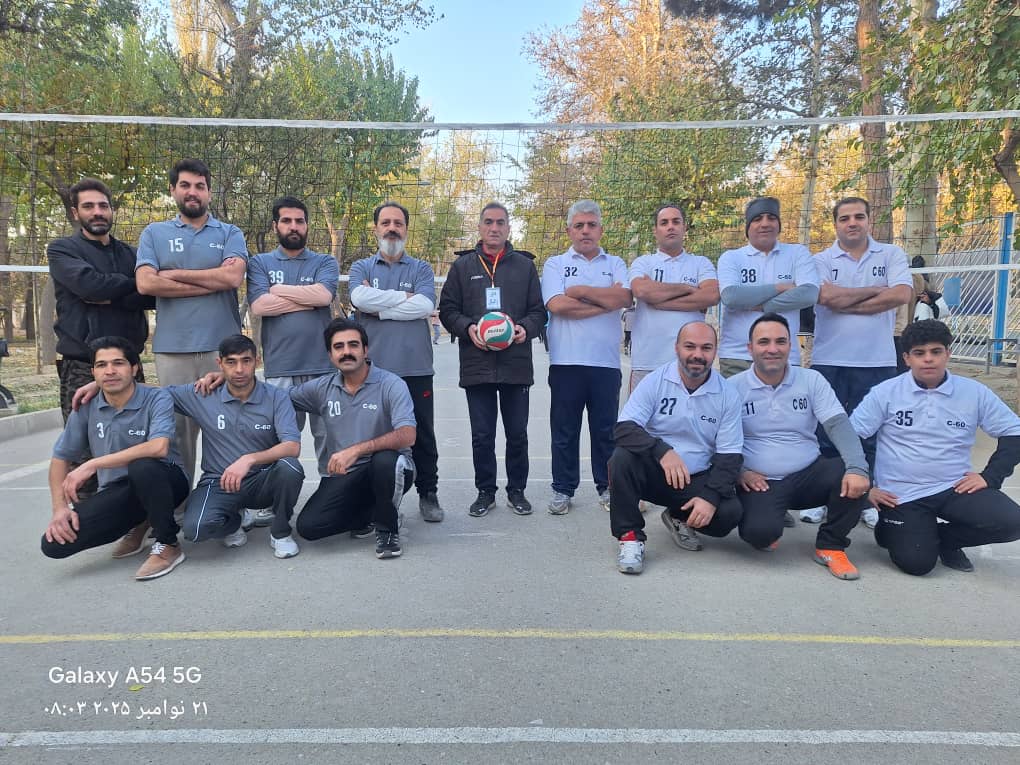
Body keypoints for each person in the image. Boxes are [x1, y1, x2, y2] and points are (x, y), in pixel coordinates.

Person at [851, 319, 1020, 575]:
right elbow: (850, 437)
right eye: (919, 353)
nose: (928, 359)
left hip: (954, 487)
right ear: (907, 358)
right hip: (901, 494)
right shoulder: (885, 392)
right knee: (917, 564)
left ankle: (946, 540)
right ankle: (893, 530)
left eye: (936, 351)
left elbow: (1014, 432)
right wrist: (868, 487)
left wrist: (990, 476)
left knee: (1013, 522)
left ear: (948, 353)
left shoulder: (974, 392)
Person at [729, 313, 871, 580]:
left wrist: (857, 467)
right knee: (760, 534)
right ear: (750, 348)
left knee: (854, 473)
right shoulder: (732, 388)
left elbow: (838, 425)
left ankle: (831, 545)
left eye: (780, 341)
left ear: (791, 346)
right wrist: (740, 472)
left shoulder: (811, 380)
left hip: (808, 473)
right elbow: (718, 441)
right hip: (761, 481)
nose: (773, 349)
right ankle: (771, 515)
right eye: (764, 342)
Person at [135, 159, 248, 483]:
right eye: (185, 185)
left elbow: (232, 277)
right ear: (173, 190)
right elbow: (146, 283)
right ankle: (181, 504)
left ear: (209, 192)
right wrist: (209, 281)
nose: (193, 192)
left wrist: (174, 275)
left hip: (222, 350)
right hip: (174, 350)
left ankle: (227, 502)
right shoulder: (154, 233)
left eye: (200, 186)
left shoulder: (230, 232)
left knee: (228, 428)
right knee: (178, 434)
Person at [42, 337, 190, 581]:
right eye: (101, 365)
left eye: (118, 363)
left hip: (166, 480)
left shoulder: (156, 398)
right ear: (93, 372)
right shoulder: (87, 405)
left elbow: (159, 447)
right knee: (54, 544)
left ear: (134, 368)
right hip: (118, 490)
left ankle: (168, 544)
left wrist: (92, 464)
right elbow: (61, 457)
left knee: (143, 466)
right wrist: (59, 509)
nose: (110, 371)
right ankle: (142, 520)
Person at [807, 197, 913, 528]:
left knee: (870, 434)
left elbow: (901, 295)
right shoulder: (820, 260)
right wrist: (876, 291)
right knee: (825, 433)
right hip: (829, 359)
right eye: (844, 218)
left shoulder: (891, 254)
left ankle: (866, 497)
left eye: (858, 216)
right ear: (835, 224)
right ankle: (822, 498)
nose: (852, 222)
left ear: (869, 220)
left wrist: (845, 300)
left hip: (877, 361)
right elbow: (826, 297)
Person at [609, 321, 744, 574]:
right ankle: (630, 538)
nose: (697, 354)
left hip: (695, 477)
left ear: (715, 351)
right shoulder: (656, 380)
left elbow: (730, 455)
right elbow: (624, 428)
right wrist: (662, 451)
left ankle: (678, 515)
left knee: (729, 513)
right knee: (622, 458)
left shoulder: (727, 393)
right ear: (676, 348)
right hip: (654, 473)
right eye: (690, 346)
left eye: (706, 348)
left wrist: (710, 497)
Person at [438, 202, 546, 517]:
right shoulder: (463, 267)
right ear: (480, 227)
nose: (494, 228)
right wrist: (467, 328)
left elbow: (539, 312)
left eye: (500, 222)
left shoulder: (524, 266)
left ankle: (517, 491)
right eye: (488, 222)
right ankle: (485, 491)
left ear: (508, 228)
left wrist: (525, 329)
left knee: (517, 433)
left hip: (516, 364)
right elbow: (448, 310)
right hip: (477, 364)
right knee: (482, 435)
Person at [159, 335, 303, 558]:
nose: (239, 369)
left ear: (257, 361)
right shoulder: (203, 393)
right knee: (195, 529)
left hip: (263, 479)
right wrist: (108, 384)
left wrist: (249, 459)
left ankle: (281, 532)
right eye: (231, 362)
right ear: (219, 363)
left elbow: (292, 446)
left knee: (290, 467)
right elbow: (152, 393)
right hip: (219, 481)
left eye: (246, 361)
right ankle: (234, 522)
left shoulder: (276, 397)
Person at [289, 318, 417, 559]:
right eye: (339, 347)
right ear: (330, 355)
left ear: (365, 350)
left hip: (391, 469)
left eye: (353, 345)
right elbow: (276, 398)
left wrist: (356, 450)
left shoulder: (391, 384)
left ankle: (388, 529)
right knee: (309, 527)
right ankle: (374, 513)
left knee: (384, 461)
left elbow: (408, 435)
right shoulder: (322, 388)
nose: (346, 352)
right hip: (346, 474)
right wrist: (230, 381)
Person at [348, 202, 444, 523]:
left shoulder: (421, 268)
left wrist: (379, 309)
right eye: (386, 222)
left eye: (398, 223)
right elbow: (358, 299)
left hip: (416, 368)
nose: (392, 228)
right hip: (373, 371)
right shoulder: (361, 267)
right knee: (374, 435)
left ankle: (428, 493)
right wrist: (405, 299)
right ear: (376, 228)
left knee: (422, 434)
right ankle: (376, 498)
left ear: (406, 229)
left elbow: (425, 306)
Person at [247, 196, 338, 527]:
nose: (294, 226)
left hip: (323, 368)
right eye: (287, 221)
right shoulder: (259, 262)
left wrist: (278, 290)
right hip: (280, 368)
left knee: (329, 438)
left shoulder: (325, 261)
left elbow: (325, 296)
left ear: (307, 225)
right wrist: (308, 298)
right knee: (279, 440)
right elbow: (260, 306)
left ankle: (334, 496)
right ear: (276, 226)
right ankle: (273, 500)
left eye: (299, 221)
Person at [541, 200, 631, 515]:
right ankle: (562, 489)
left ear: (601, 230)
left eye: (591, 225)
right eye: (579, 225)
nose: (585, 231)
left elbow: (624, 297)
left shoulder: (616, 263)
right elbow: (557, 305)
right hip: (566, 363)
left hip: (605, 363)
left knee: (605, 431)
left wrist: (579, 290)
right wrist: (604, 302)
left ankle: (607, 487)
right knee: (564, 431)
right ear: (569, 231)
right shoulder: (555, 264)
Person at [49, 178, 154, 421]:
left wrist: (115, 297)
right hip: (82, 366)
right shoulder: (62, 249)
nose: (97, 212)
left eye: (103, 206)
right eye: (88, 206)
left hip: (129, 364)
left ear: (111, 210)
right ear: (75, 212)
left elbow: (153, 296)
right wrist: (136, 284)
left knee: (136, 439)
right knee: (83, 441)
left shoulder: (134, 254)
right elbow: (90, 286)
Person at [717, 197, 818, 377]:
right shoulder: (731, 257)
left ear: (779, 224)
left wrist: (763, 306)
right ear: (748, 226)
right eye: (757, 219)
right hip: (737, 356)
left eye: (771, 218)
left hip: (785, 357)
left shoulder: (797, 253)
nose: (765, 224)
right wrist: (779, 287)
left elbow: (809, 294)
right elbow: (731, 297)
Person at [627, 204, 718, 392]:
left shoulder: (701, 263)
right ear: (655, 231)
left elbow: (711, 295)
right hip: (647, 363)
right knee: (639, 413)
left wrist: (660, 301)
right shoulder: (643, 262)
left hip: (689, 365)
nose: (670, 227)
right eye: (664, 223)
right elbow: (642, 291)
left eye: (676, 222)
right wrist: (687, 288)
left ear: (684, 228)